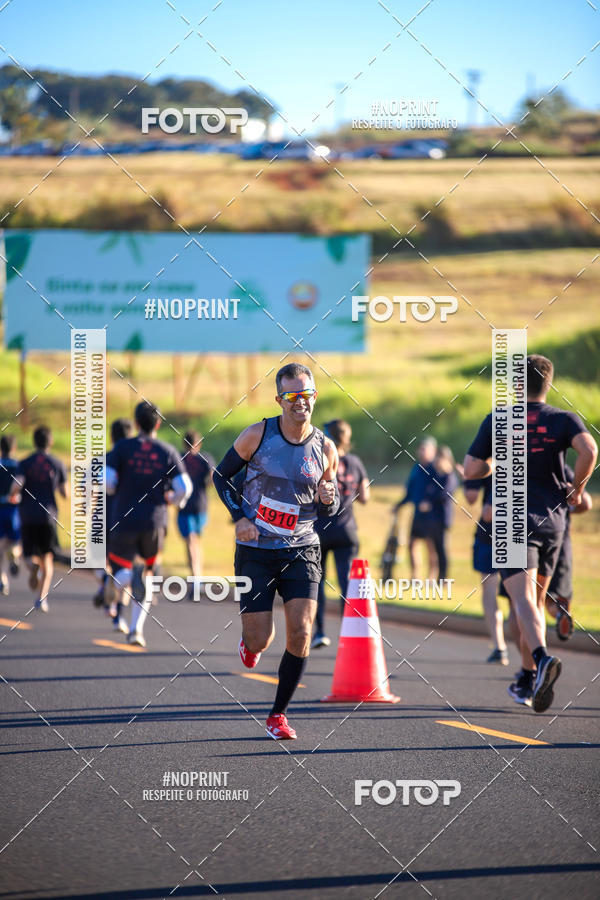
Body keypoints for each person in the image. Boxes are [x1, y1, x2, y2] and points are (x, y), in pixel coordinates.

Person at [212, 362, 339, 740]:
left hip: (302, 549)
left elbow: (328, 505)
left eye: (306, 395)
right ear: (280, 400)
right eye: (292, 396)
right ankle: (248, 646)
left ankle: (278, 715)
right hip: (256, 549)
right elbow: (220, 476)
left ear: (314, 396)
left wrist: (328, 498)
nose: (300, 402)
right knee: (260, 640)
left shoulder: (325, 448)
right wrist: (240, 517)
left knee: (300, 632)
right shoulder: (257, 435)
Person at [464, 354, 597, 712]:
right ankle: (526, 678)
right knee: (535, 604)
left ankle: (540, 658)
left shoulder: (500, 419)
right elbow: (590, 450)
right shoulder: (563, 418)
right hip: (553, 521)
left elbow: (472, 468)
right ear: (548, 383)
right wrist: (578, 490)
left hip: (511, 518)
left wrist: (493, 462)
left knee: (522, 601)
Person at [105, 401, 192, 647]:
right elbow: (184, 487)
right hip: (154, 522)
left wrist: (118, 489)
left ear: (136, 423)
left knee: (122, 568)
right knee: (148, 575)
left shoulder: (122, 448)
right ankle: (136, 630)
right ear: (158, 423)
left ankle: (117, 581)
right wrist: (175, 501)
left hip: (123, 518)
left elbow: (107, 481)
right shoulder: (167, 451)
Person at [312, 419, 369, 648]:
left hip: (320, 530)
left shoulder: (319, 460)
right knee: (347, 584)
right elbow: (365, 497)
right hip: (346, 530)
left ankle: (319, 632)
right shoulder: (355, 462)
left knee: (317, 582)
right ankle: (351, 634)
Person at [11, 426, 67, 612]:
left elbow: (16, 485)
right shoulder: (57, 463)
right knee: (48, 559)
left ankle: (33, 566)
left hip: (27, 514)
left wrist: (13, 494)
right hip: (48, 516)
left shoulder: (25, 462)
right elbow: (65, 493)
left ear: (34, 442)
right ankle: (41, 598)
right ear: (50, 442)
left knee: (28, 555)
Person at [463, 473, 509, 664]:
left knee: (493, 592)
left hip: (494, 537)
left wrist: (468, 475)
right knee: (522, 597)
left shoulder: (487, 459)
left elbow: (485, 511)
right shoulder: (537, 452)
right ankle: (532, 657)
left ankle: (500, 647)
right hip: (519, 536)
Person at [91, 418, 133, 626]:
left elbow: (87, 489)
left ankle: (105, 586)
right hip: (125, 521)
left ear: (111, 437)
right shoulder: (134, 463)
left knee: (100, 563)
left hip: (102, 518)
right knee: (125, 569)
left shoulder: (102, 459)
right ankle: (118, 615)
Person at [544, 464, 592, 641]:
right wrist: (568, 508)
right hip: (561, 540)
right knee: (560, 594)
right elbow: (586, 503)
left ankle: (532, 657)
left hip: (528, 539)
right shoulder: (563, 469)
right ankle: (561, 613)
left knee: (533, 598)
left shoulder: (519, 462)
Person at [178, 430, 215, 596]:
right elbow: (213, 479)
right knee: (195, 542)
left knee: (191, 542)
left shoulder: (179, 458)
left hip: (185, 506)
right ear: (199, 444)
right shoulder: (205, 458)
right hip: (201, 505)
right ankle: (197, 577)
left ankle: (196, 579)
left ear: (184, 443)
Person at [394, 438, 437, 579]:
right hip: (417, 514)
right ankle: (415, 577)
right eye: (420, 449)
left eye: (425, 449)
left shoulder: (435, 469)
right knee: (412, 544)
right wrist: (400, 504)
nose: (421, 452)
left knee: (431, 547)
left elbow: (440, 491)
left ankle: (432, 576)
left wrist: (430, 503)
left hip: (432, 516)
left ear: (433, 451)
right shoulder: (417, 469)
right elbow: (410, 491)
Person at [417, 445, 459, 581]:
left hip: (442, 519)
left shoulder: (450, 477)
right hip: (432, 519)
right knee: (433, 549)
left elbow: (443, 494)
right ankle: (434, 577)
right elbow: (427, 491)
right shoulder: (435, 475)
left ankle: (443, 578)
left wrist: (429, 502)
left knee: (441, 549)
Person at [0, 435, 22, 595]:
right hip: (15, 509)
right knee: (15, 541)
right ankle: (14, 555)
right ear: (14, 448)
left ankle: (2, 579)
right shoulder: (18, 466)